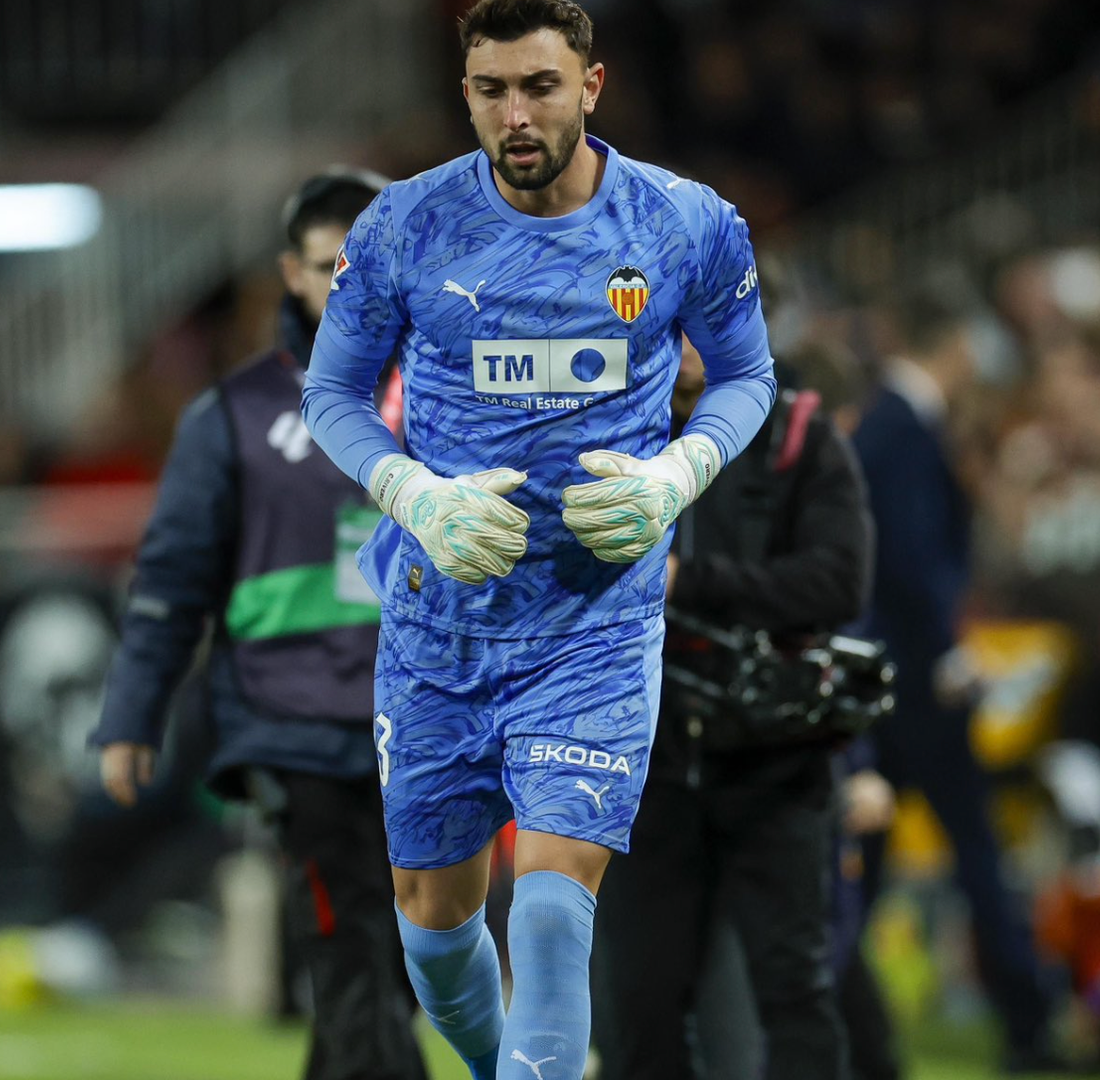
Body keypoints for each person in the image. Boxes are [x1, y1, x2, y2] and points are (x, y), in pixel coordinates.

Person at [300, 2, 778, 1077]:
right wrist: (414, 495)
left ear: (592, 86)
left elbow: (746, 375)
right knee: (432, 931)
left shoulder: (684, 223)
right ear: (466, 93)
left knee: (555, 919)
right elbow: (331, 391)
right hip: (439, 624)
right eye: (490, 91)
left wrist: (676, 474)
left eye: (540, 87)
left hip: (595, 626)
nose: (516, 115)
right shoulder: (404, 227)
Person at [93, 169, 429, 1080]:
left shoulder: (458, 401)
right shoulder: (234, 417)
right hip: (292, 725)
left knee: (400, 960)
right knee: (354, 939)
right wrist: (131, 717)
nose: (352, 285)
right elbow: (171, 581)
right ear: (291, 273)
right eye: (332, 266)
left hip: (430, 722)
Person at [589, 341, 873, 1079]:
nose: (684, 345)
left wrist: (691, 582)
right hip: (643, 761)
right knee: (639, 1004)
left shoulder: (797, 436)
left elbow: (841, 582)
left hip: (773, 758)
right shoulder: (601, 431)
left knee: (794, 990)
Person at [850, 295, 1060, 1072]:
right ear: (960, 349)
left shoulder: (888, 422)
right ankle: (1029, 1022)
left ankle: (842, 1025)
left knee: (863, 870)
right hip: (918, 682)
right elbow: (908, 558)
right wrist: (948, 654)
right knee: (972, 849)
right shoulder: (904, 427)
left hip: (887, 679)